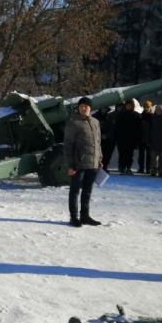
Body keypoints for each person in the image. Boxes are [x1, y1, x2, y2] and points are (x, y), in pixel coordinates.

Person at [63, 96, 102, 227]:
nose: (84, 108)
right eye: (81, 106)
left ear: (90, 108)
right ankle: (74, 217)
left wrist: (100, 159)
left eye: (86, 106)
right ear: (78, 108)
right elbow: (68, 145)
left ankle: (85, 216)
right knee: (75, 191)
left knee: (87, 191)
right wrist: (71, 164)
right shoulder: (73, 123)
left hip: (93, 163)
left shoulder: (96, 122)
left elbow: (98, 142)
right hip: (78, 164)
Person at [115, 100, 141, 175]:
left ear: (133, 106)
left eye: (130, 105)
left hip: (131, 139)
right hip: (121, 139)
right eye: (127, 105)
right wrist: (117, 138)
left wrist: (137, 140)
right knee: (122, 154)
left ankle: (128, 168)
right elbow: (117, 127)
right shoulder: (121, 114)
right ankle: (122, 168)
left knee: (130, 155)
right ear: (125, 106)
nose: (128, 106)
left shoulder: (136, 115)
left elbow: (139, 129)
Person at [96, 106, 117, 172]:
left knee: (107, 154)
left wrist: (107, 135)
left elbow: (112, 127)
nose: (104, 110)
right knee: (98, 154)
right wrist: (101, 135)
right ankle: (98, 167)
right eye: (103, 108)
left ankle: (105, 167)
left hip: (108, 139)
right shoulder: (95, 116)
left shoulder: (110, 116)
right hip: (98, 139)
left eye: (105, 109)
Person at [149, 105, 162, 177]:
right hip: (154, 141)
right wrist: (149, 140)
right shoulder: (152, 119)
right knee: (153, 159)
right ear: (155, 110)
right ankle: (153, 171)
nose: (159, 111)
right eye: (158, 110)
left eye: (161, 110)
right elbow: (148, 130)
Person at [139, 100, 155, 173]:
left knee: (149, 155)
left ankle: (148, 169)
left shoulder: (153, 116)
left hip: (149, 138)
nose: (146, 108)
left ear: (150, 107)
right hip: (141, 138)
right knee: (141, 155)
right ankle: (141, 168)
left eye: (148, 107)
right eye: (145, 107)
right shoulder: (141, 116)